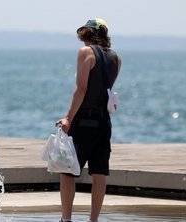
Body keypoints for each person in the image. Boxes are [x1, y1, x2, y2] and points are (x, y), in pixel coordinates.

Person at [56, 19, 122, 222]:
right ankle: (93, 220)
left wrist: (68, 118)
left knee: (68, 171)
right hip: (104, 123)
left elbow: (82, 89)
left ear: (86, 34)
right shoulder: (116, 58)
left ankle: (66, 220)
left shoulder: (85, 53)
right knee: (99, 173)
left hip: (84, 121)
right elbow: (106, 89)